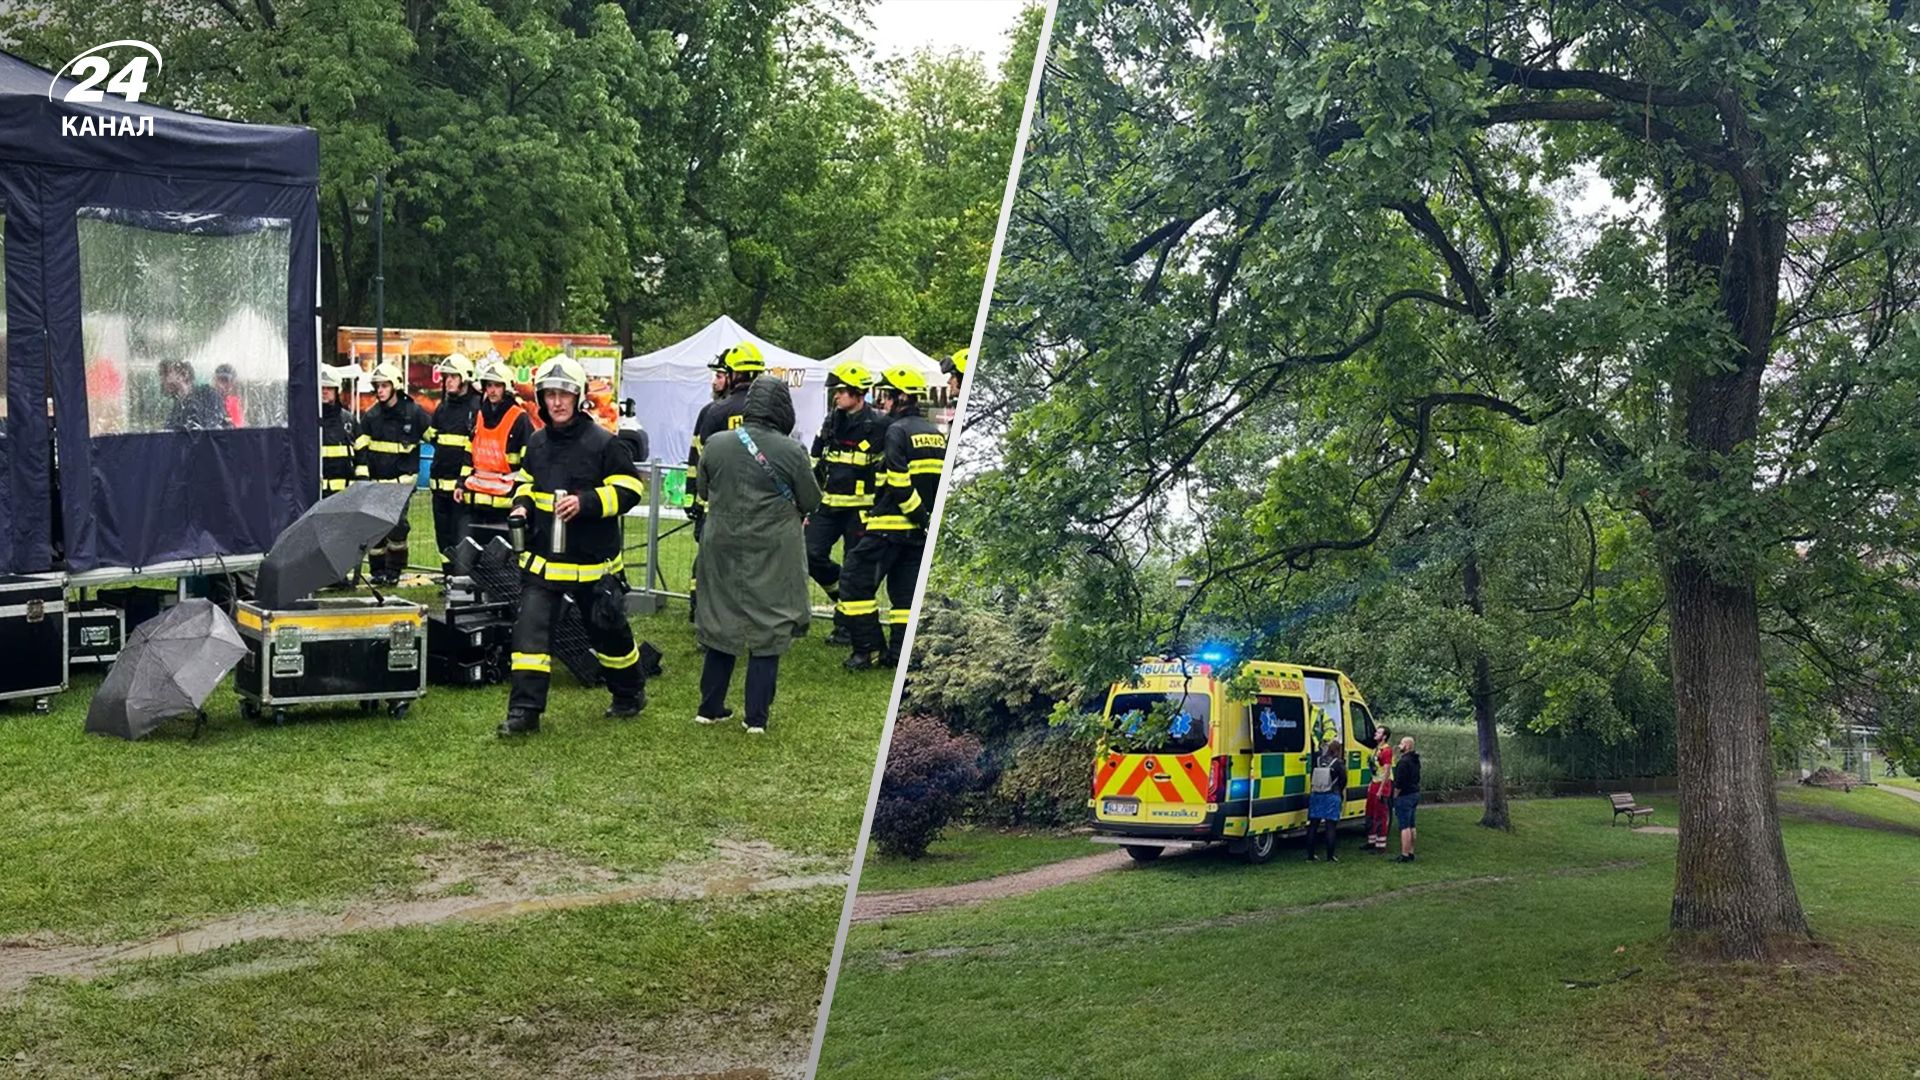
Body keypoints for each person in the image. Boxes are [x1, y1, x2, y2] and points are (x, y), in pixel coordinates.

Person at [500, 355, 648, 736]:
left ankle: (629, 693)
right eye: (550, 394)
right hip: (543, 564)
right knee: (529, 636)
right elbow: (525, 483)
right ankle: (524, 713)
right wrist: (521, 505)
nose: (557, 402)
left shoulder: (604, 443)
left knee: (608, 635)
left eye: (564, 394)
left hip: (592, 565)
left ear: (578, 397)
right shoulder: (536, 443)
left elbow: (631, 489)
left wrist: (588, 503)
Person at [692, 375, 822, 734]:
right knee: (770, 625)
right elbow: (811, 500)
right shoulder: (792, 451)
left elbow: (703, 490)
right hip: (773, 548)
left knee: (721, 620)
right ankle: (756, 719)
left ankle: (710, 708)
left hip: (721, 545)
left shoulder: (716, 444)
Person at [839, 366, 946, 671]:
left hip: (890, 526)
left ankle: (868, 650)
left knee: (854, 582)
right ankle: (898, 655)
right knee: (903, 597)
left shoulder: (895, 431)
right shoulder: (935, 434)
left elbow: (898, 481)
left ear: (901, 397)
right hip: (916, 534)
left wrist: (916, 514)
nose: (882, 402)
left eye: (886, 396)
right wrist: (925, 521)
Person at [807, 361, 887, 646]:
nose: (836, 396)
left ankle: (845, 627)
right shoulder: (831, 421)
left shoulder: (878, 425)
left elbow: (885, 471)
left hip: (861, 510)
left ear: (857, 393)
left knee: (856, 568)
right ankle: (843, 597)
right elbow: (815, 461)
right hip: (827, 506)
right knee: (809, 553)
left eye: (841, 391)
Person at [686, 342, 763, 620]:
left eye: (722, 374)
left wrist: (692, 501)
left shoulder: (715, 412)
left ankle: (703, 613)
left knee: (709, 564)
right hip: (758, 506)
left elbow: (699, 461)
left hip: (718, 504)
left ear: (733, 375)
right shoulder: (772, 413)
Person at [355, 362, 429, 584]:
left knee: (397, 527)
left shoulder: (414, 413)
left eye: (384, 385)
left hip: (402, 484)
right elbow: (361, 450)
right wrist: (363, 480)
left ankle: (394, 571)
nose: (380, 390)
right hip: (376, 484)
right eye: (377, 386)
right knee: (375, 527)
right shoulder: (371, 416)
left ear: (395, 386)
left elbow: (435, 436)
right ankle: (378, 572)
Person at [458, 357, 534, 542]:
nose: (492, 391)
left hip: (504, 503)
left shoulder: (519, 418)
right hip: (476, 502)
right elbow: (470, 453)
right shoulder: (481, 415)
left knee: (503, 559)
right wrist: (461, 483)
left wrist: (520, 499)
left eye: (497, 386)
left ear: (506, 388)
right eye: (489, 386)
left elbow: (528, 462)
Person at [424, 354, 481, 572]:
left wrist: (464, 481)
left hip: (462, 489)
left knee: (462, 536)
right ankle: (448, 576)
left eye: (452, 377)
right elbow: (436, 440)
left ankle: (462, 578)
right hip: (439, 488)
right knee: (443, 536)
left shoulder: (477, 408)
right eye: (446, 377)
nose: (447, 381)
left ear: (465, 378)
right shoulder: (442, 408)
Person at [318, 365, 363, 495]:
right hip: (316, 494)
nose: (325, 391)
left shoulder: (349, 421)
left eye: (329, 388)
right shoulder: (308, 420)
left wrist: (361, 483)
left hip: (344, 494)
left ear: (337, 390)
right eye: (322, 388)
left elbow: (361, 457)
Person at [158, 359, 230, 432]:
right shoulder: (176, 409)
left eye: (166, 373)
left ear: (184, 374)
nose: (162, 379)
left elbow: (214, 429)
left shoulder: (207, 395)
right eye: (161, 375)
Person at [1306, 739, 1346, 862]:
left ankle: (1310, 856)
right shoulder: (1338, 763)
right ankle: (1330, 856)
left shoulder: (1318, 760)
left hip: (1316, 794)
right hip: (1331, 795)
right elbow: (1343, 780)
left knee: (1313, 825)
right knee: (1330, 826)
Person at [1365, 724, 1395, 852]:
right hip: (1374, 783)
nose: (1375, 733)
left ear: (1384, 736)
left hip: (1382, 785)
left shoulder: (1386, 750)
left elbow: (1387, 772)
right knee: (1370, 813)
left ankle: (1380, 845)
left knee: (1380, 815)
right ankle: (1371, 841)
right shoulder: (1377, 748)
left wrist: (1381, 789)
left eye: (1378, 732)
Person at [1393, 735, 1421, 862]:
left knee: (1404, 826)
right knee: (1412, 824)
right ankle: (1411, 852)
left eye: (1402, 743)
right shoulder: (1415, 760)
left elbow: (1399, 782)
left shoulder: (1403, 762)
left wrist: (1395, 795)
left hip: (1405, 795)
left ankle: (1404, 854)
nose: (1400, 746)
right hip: (1414, 793)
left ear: (1407, 746)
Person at [214, 363, 244, 427]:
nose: (223, 385)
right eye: (222, 380)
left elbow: (239, 427)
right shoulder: (208, 401)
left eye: (228, 381)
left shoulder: (234, 403)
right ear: (215, 381)